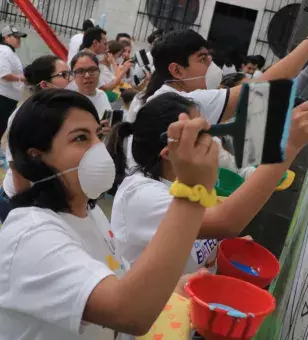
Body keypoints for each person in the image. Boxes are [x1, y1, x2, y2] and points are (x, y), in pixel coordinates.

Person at [0, 88, 218, 339]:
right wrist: (192, 191)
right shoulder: (30, 236)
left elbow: (122, 283)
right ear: (38, 159)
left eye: (97, 135)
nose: (98, 149)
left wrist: (174, 288)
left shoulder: (90, 214)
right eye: (80, 138)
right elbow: (130, 312)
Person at [108, 91, 308, 274]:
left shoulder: (189, 183)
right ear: (168, 153)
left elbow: (195, 236)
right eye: (202, 134)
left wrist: (220, 249)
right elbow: (225, 221)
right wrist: (288, 148)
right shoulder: (141, 196)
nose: (213, 140)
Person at [134, 6, 308, 126]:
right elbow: (263, 87)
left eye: (209, 58)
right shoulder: (183, 101)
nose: (211, 65)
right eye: (202, 59)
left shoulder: (168, 98)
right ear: (177, 70)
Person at [0, 55, 72, 222]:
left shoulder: (58, 110)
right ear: (45, 85)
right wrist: (27, 213)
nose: (70, 80)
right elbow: (19, 170)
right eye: (63, 75)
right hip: (20, 201)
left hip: (42, 198)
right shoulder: (24, 118)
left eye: (70, 73)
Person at [0, 25, 27, 141]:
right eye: (16, 37)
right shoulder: (3, 51)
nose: (19, 39)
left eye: (19, 37)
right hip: (3, 97)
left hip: (9, 97)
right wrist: (23, 78)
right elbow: (4, 75)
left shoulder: (10, 52)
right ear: (6, 37)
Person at [71, 51, 111, 119]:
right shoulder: (71, 103)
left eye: (92, 70)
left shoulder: (102, 94)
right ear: (73, 75)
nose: (87, 76)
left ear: (99, 72)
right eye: (80, 71)